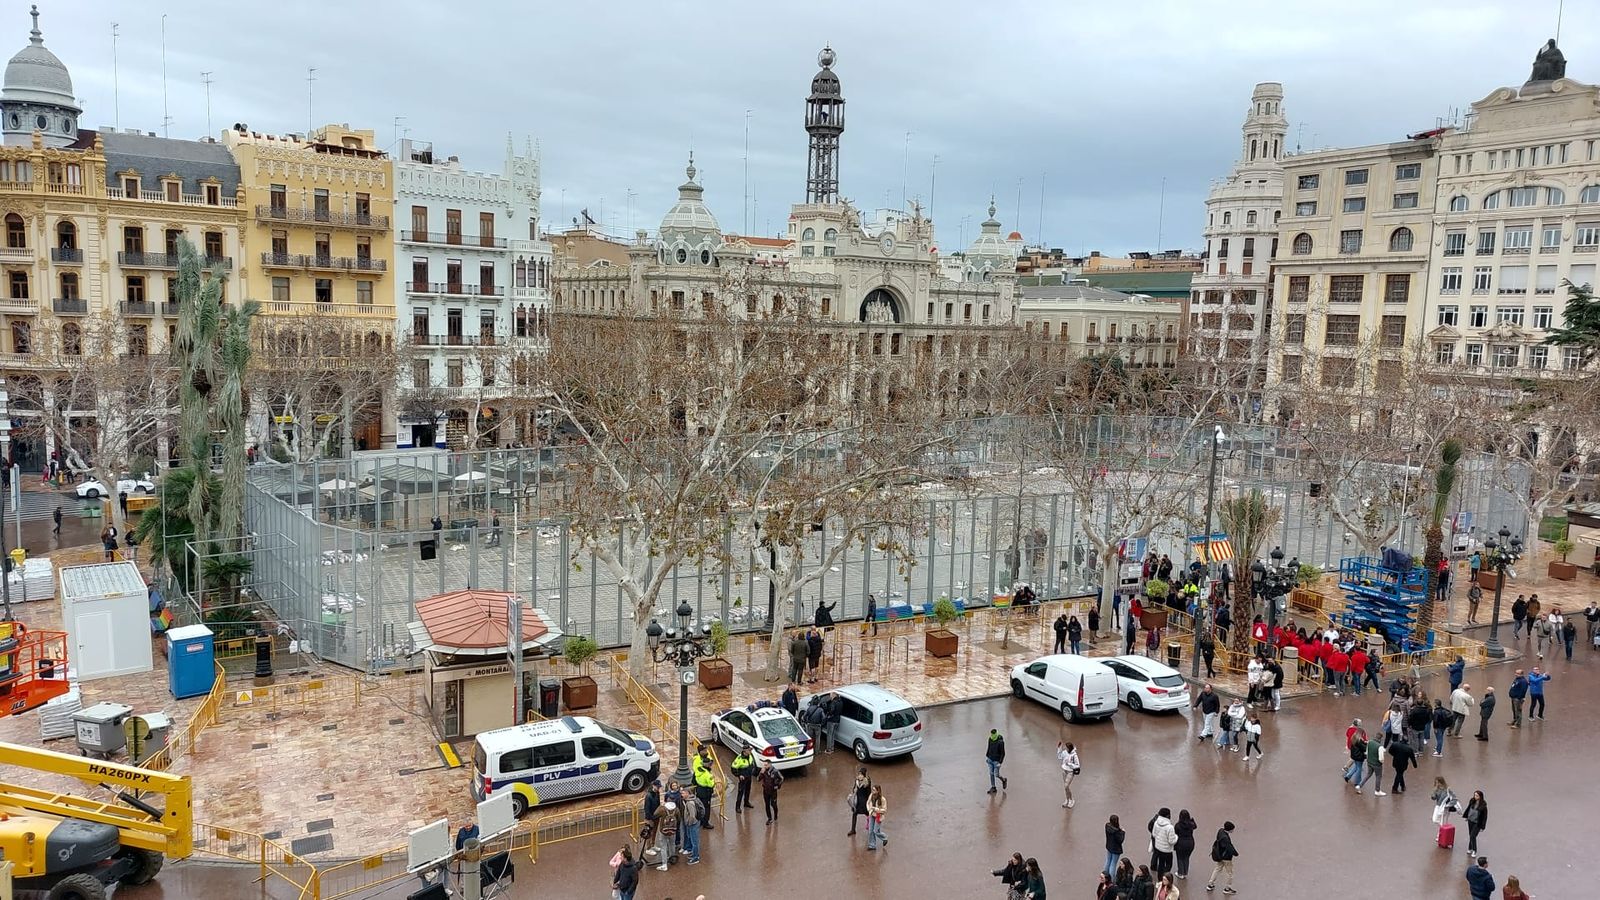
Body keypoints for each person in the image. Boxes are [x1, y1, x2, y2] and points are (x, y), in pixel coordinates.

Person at [1206, 820, 1238, 895]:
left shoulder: (1220, 831)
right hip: (1226, 857)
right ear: (1229, 829)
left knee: (1217, 869)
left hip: (1219, 855)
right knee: (1230, 873)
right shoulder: (1225, 838)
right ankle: (1227, 888)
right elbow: (1229, 847)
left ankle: (1210, 884)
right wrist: (1235, 853)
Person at [691, 746, 716, 829]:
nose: (706, 751)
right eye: (704, 750)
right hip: (706, 791)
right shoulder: (706, 774)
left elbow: (710, 759)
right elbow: (711, 784)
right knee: (706, 807)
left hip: (699, 788)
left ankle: (700, 821)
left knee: (699, 805)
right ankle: (705, 823)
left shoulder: (705, 758)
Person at [651, 798, 679, 870]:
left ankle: (664, 864)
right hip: (673, 830)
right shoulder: (676, 809)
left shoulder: (663, 809)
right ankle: (672, 858)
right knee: (672, 844)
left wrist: (660, 806)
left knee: (663, 847)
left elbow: (654, 814)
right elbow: (679, 819)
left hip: (663, 830)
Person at [1148, 808, 1177, 876]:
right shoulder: (1170, 827)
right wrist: (1176, 837)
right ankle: (1166, 878)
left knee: (1161, 864)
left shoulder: (1156, 823)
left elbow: (1154, 834)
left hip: (1158, 848)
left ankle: (1160, 879)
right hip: (1167, 850)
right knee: (1169, 864)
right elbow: (1172, 841)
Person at [1173, 810, 1197, 881]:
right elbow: (1195, 826)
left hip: (1181, 843)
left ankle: (1181, 873)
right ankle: (1185, 872)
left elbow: (1175, 833)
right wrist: (1192, 820)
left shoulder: (1178, 825)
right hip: (1190, 843)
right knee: (1186, 857)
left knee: (1180, 858)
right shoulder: (1191, 824)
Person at [678, 792, 702, 865]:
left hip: (693, 824)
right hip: (694, 823)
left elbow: (692, 816)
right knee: (693, 840)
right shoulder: (691, 801)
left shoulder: (689, 803)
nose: (682, 795)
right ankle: (694, 854)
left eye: (683, 793)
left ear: (688, 793)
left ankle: (695, 857)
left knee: (694, 841)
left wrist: (689, 823)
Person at [757, 759, 783, 825]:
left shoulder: (775, 771)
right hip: (765, 790)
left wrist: (778, 786)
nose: (764, 766)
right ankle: (769, 818)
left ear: (770, 764)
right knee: (767, 804)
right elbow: (758, 779)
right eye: (764, 765)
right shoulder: (763, 771)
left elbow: (781, 778)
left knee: (773, 804)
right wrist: (761, 773)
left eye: (766, 765)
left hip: (773, 791)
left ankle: (775, 814)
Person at [730, 747, 755, 814]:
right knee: (741, 792)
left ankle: (746, 803)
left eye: (750, 750)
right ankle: (737, 807)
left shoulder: (750, 756)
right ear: (744, 751)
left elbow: (751, 764)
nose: (750, 751)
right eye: (749, 750)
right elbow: (733, 768)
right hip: (743, 778)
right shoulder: (739, 759)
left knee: (748, 790)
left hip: (749, 776)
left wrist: (752, 770)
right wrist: (739, 775)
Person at [847, 768, 871, 836]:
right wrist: (853, 792)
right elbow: (854, 789)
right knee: (854, 814)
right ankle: (853, 829)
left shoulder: (867, 782)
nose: (860, 776)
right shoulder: (856, 781)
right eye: (859, 774)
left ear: (864, 776)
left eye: (861, 774)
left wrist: (869, 802)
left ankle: (871, 827)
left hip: (864, 801)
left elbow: (869, 793)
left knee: (868, 813)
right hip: (857, 800)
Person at [1057, 740, 1080, 808]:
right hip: (1064, 771)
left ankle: (1071, 800)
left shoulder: (1074, 755)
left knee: (1066, 786)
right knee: (1065, 787)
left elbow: (1077, 765)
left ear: (1069, 748)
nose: (1065, 748)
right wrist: (1059, 748)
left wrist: (1069, 764)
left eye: (1066, 748)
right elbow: (1059, 757)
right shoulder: (1064, 752)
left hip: (1070, 772)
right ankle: (1067, 800)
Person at [1464, 791, 1488, 856]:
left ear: (1480, 796)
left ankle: (1474, 850)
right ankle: (1470, 848)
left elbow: (1485, 817)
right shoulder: (1472, 801)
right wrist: (1466, 816)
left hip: (1477, 823)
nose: (1475, 797)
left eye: (1477, 795)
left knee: (1473, 836)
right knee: (1471, 835)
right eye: (1475, 795)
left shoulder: (1483, 805)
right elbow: (1468, 808)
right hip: (1470, 821)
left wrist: (1483, 827)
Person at [865, 783, 888, 851]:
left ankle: (884, 837)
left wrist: (877, 809)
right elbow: (868, 803)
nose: (872, 791)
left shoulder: (882, 799)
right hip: (872, 815)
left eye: (874, 790)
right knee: (870, 830)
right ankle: (872, 845)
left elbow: (884, 810)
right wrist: (869, 809)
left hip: (878, 816)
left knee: (876, 831)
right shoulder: (871, 796)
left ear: (878, 791)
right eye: (872, 790)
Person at [986, 728, 1008, 794]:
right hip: (990, 759)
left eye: (993, 734)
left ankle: (1004, 780)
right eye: (991, 734)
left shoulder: (1000, 742)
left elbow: (1003, 753)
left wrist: (1000, 762)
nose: (992, 736)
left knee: (996, 774)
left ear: (996, 733)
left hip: (996, 761)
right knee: (991, 773)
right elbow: (989, 747)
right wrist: (987, 757)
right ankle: (993, 787)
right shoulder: (990, 739)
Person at [1104, 814, 1126, 878]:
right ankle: (1111, 879)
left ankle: (1105, 875)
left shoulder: (1107, 826)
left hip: (1109, 846)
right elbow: (1120, 840)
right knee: (1113, 864)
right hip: (1116, 849)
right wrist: (1123, 832)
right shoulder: (1117, 832)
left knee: (1108, 860)